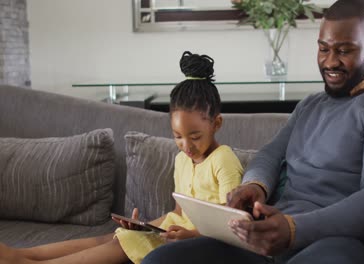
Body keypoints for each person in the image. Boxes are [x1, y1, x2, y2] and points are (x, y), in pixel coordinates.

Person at [141, 1, 364, 264]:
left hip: (346, 243)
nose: (330, 62)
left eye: (344, 50)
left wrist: (294, 228)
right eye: (323, 48)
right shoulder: (310, 106)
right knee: (162, 260)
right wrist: (255, 187)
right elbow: (270, 153)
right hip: (276, 236)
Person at [0, 51, 244, 264]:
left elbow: (231, 226)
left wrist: (191, 236)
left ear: (217, 124)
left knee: (119, 244)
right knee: (114, 236)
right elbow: (178, 213)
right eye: (178, 136)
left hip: (203, 244)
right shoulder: (181, 160)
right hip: (172, 233)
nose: (186, 146)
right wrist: (146, 227)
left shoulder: (223, 160)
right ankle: (21, 255)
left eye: (195, 136)